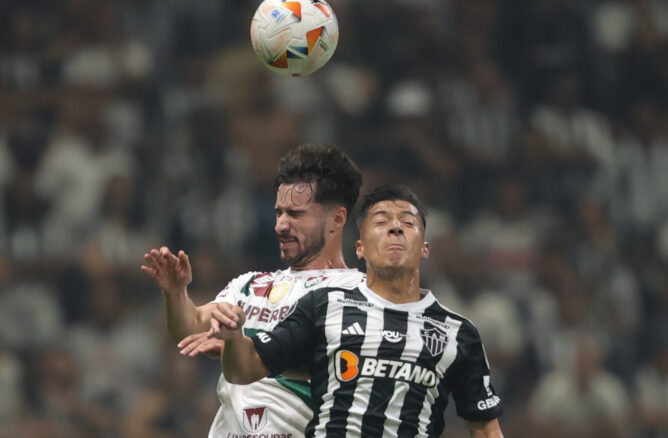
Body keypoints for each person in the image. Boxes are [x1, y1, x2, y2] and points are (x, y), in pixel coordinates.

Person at [209, 184, 505, 438]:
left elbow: (486, 430)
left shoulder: (457, 332)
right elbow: (244, 369)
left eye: (408, 222)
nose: (395, 227)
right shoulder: (324, 305)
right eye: (381, 221)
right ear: (360, 247)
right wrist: (234, 337)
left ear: (424, 248)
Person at [141, 144, 365, 438]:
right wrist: (176, 293)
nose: (280, 225)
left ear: (337, 219)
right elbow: (189, 328)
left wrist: (246, 350)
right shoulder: (250, 285)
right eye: (279, 212)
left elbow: (353, 375)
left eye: (296, 214)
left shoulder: (359, 295)